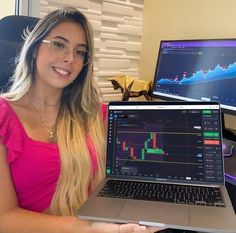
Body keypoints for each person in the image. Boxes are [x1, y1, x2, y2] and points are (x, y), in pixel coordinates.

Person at [0, 6, 164, 233]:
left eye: (80, 52)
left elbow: (150, 153)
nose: (69, 58)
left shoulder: (94, 115)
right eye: (59, 44)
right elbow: (4, 218)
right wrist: (94, 228)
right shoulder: (4, 117)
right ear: (35, 48)